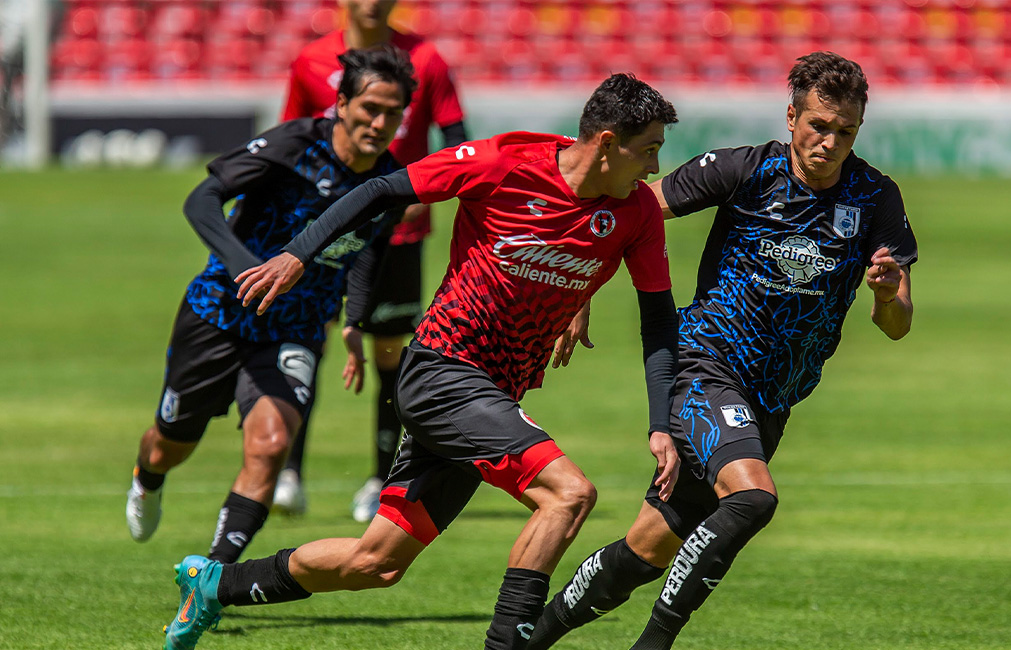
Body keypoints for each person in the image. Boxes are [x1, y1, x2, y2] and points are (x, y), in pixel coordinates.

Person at [161, 73, 682, 650]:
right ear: (607, 143)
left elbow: (658, 320)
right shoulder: (503, 163)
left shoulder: (635, 213)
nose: (655, 169)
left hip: (492, 393)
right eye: (650, 150)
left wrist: (660, 420)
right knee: (568, 494)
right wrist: (297, 255)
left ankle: (213, 583)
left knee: (375, 563)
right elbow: (380, 190)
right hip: (443, 370)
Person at [528, 51, 918, 650]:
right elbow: (630, 205)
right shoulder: (745, 171)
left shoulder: (875, 199)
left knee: (646, 551)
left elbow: (897, 326)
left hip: (775, 397)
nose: (830, 142)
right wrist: (580, 286)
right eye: (818, 125)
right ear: (791, 116)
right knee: (754, 496)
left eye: (845, 132)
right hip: (706, 367)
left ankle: (526, 642)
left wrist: (889, 295)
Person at [124, 47, 416, 567]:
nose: (379, 122)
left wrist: (353, 321)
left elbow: (367, 250)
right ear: (342, 103)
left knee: (271, 444)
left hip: (298, 327)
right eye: (370, 107)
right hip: (220, 313)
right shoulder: (295, 145)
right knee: (171, 445)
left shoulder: (389, 182)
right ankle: (147, 478)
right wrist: (243, 268)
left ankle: (211, 578)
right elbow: (203, 198)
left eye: (392, 112)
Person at [275, 0, 469, 522]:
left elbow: (456, 141)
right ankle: (288, 473)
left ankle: (380, 481)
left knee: (389, 359)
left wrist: (420, 194)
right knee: (307, 345)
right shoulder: (310, 60)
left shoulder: (426, 59)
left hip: (398, 234)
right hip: (324, 233)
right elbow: (292, 142)